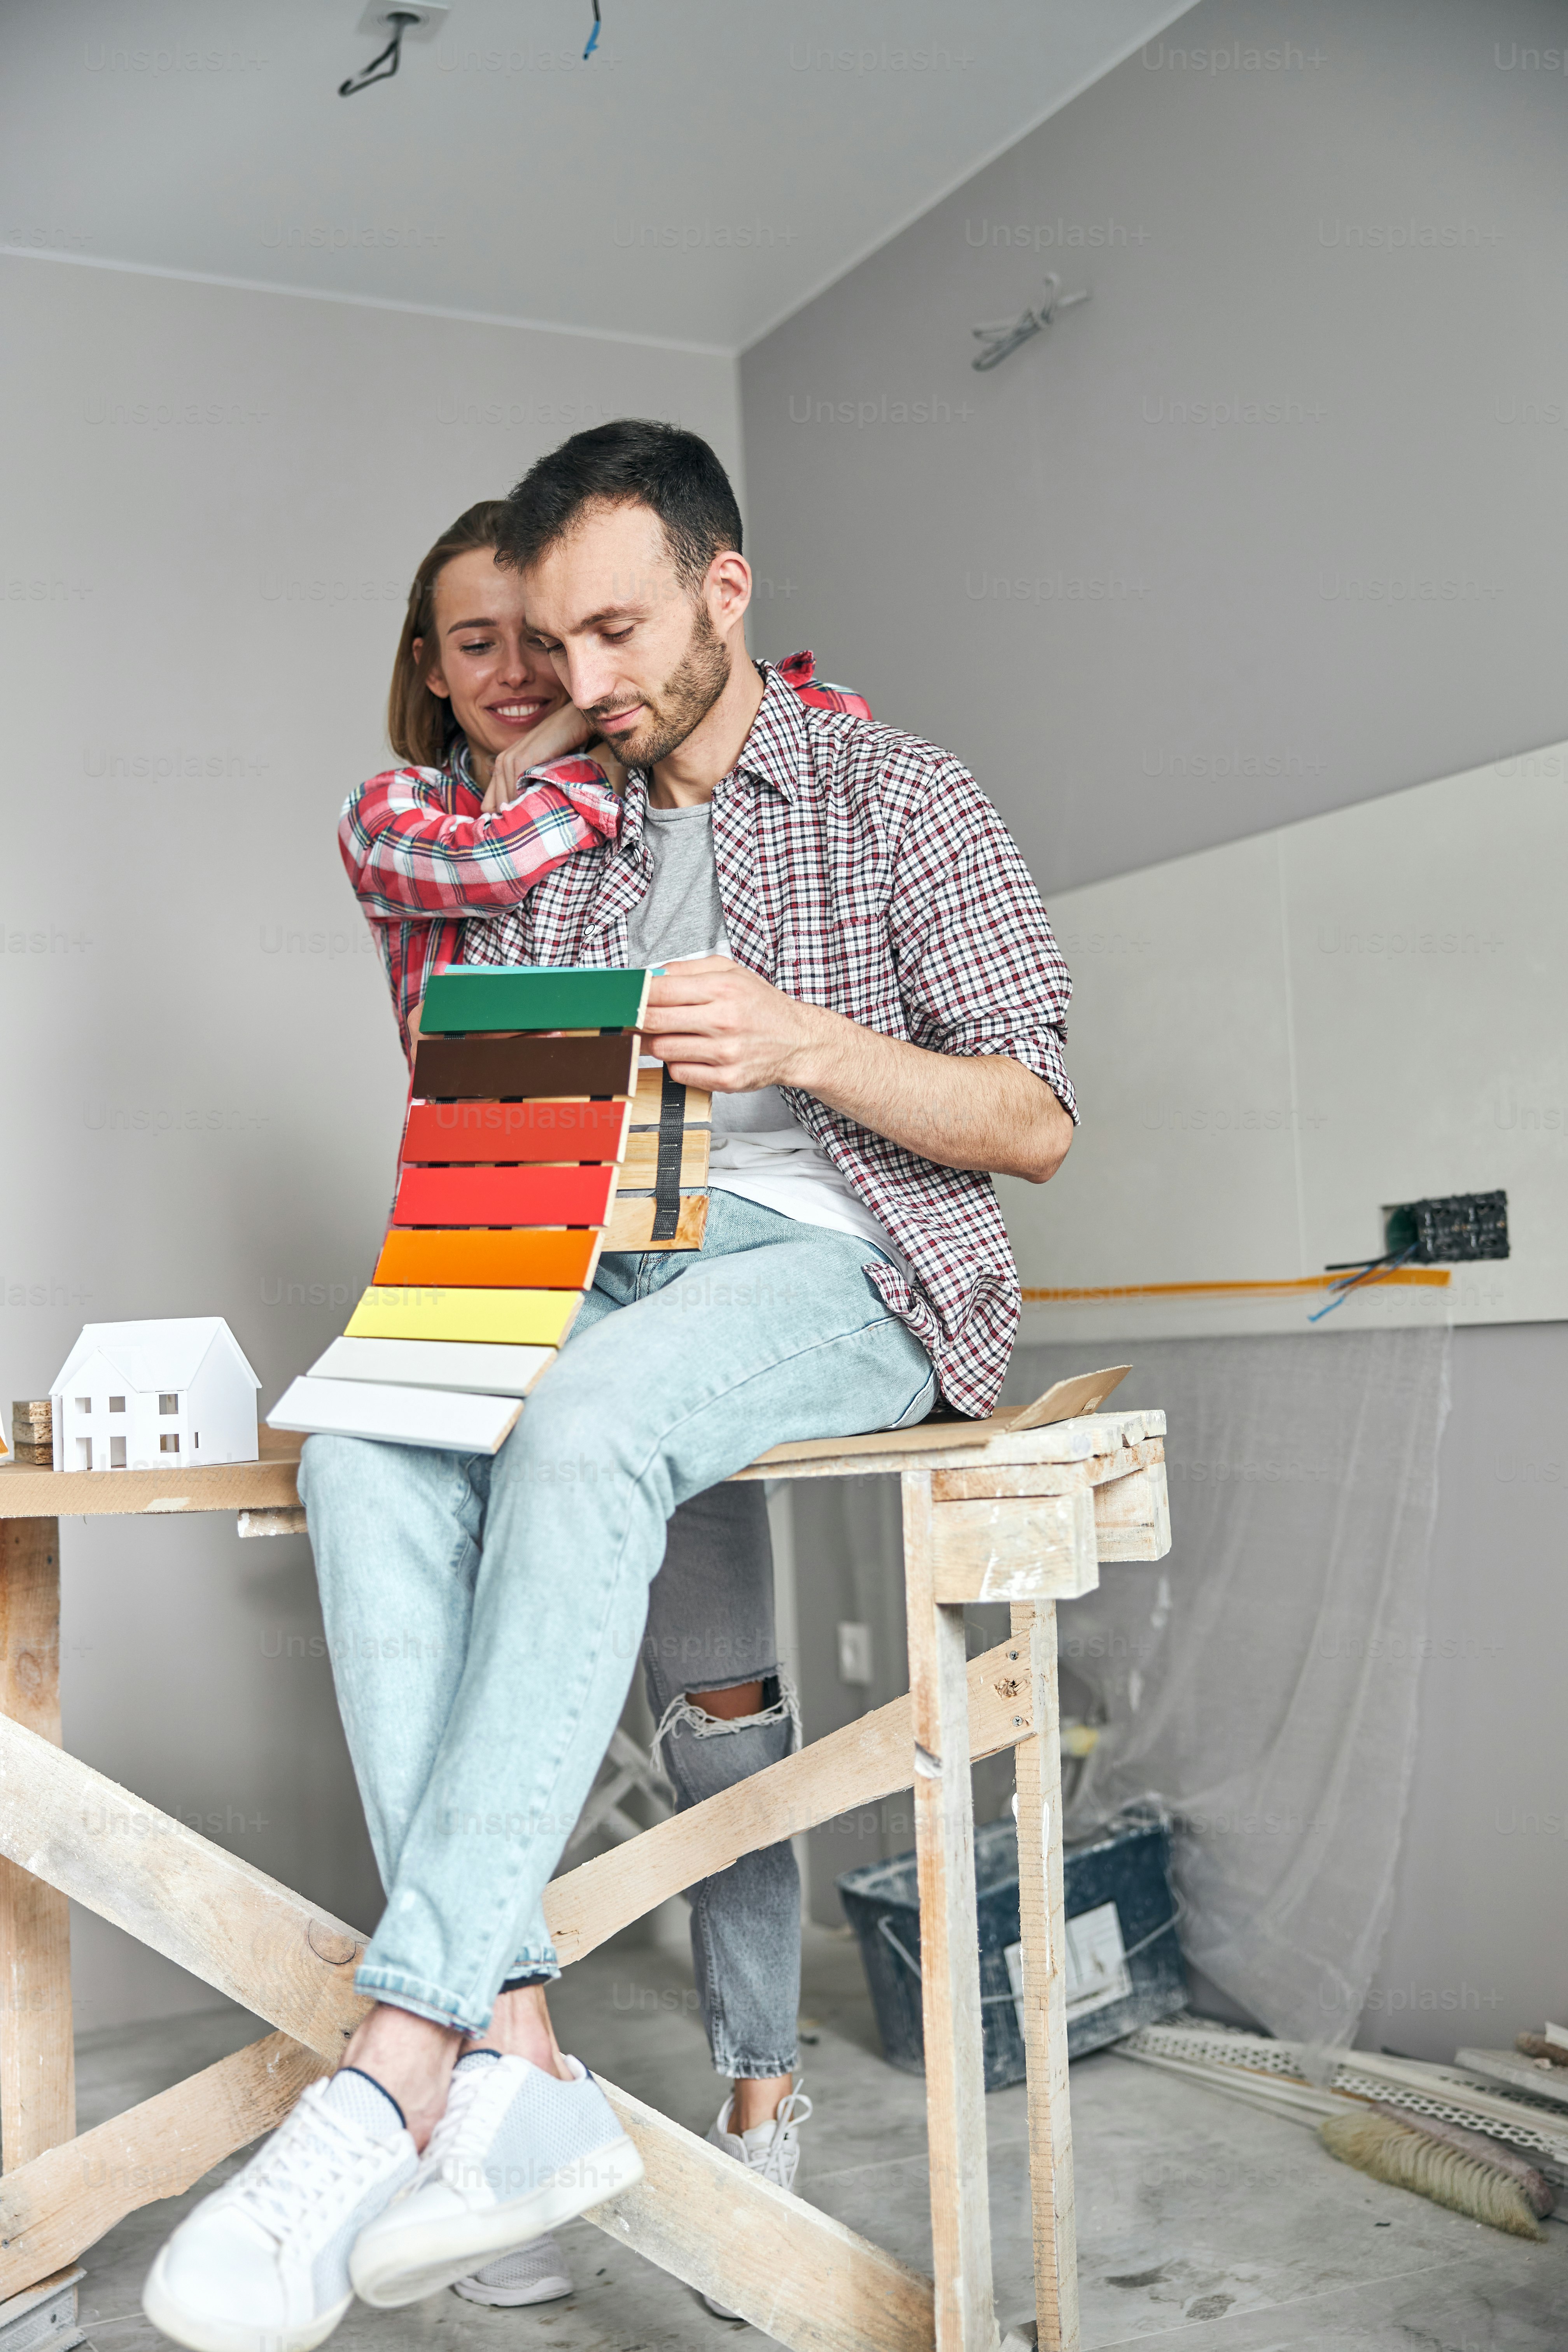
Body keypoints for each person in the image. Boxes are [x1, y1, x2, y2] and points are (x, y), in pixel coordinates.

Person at [143, 421, 1076, 2352]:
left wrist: (807, 1044)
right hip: (591, 1261)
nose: (581, 685)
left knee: (587, 1435)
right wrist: (451, 1288)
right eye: (552, 644)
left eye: (618, 632)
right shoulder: (575, 840)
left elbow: (1035, 1120)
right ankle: (522, 2068)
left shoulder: (902, 794)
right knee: (365, 1440)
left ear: (729, 593)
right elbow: (506, 1131)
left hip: (847, 1266)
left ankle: (409, 2063)